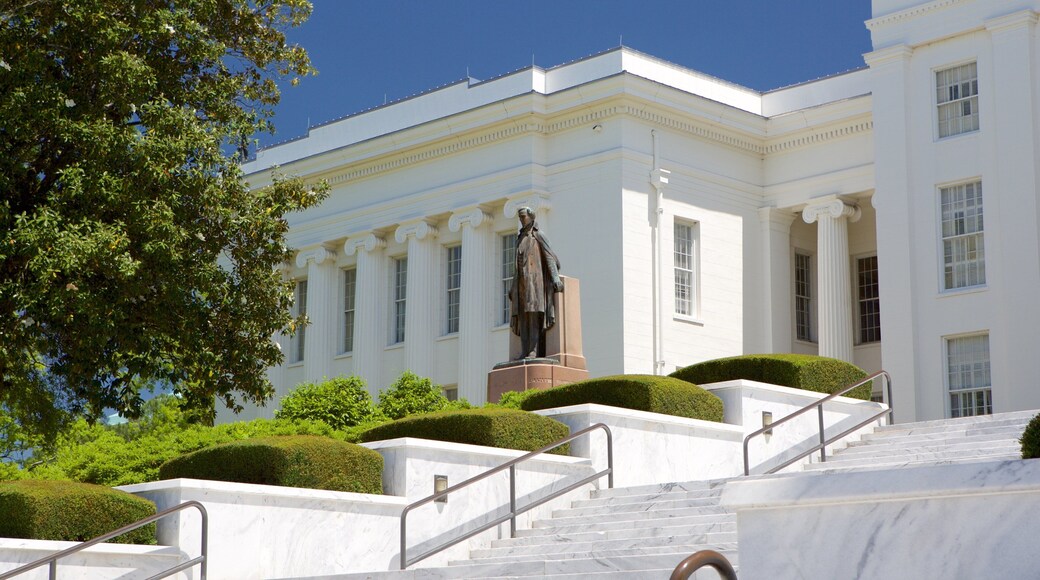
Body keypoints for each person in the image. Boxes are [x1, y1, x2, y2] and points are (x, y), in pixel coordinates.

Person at [509, 207, 564, 359]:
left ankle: (533, 350)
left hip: (535, 283)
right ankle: (524, 350)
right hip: (521, 283)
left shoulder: (538, 236)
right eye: (520, 217)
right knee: (523, 317)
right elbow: (517, 265)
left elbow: (549, 257)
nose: (521, 220)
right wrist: (513, 286)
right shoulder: (520, 238)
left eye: (523, 216)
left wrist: (555, 278)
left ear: (531, 217)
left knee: (533, 316)